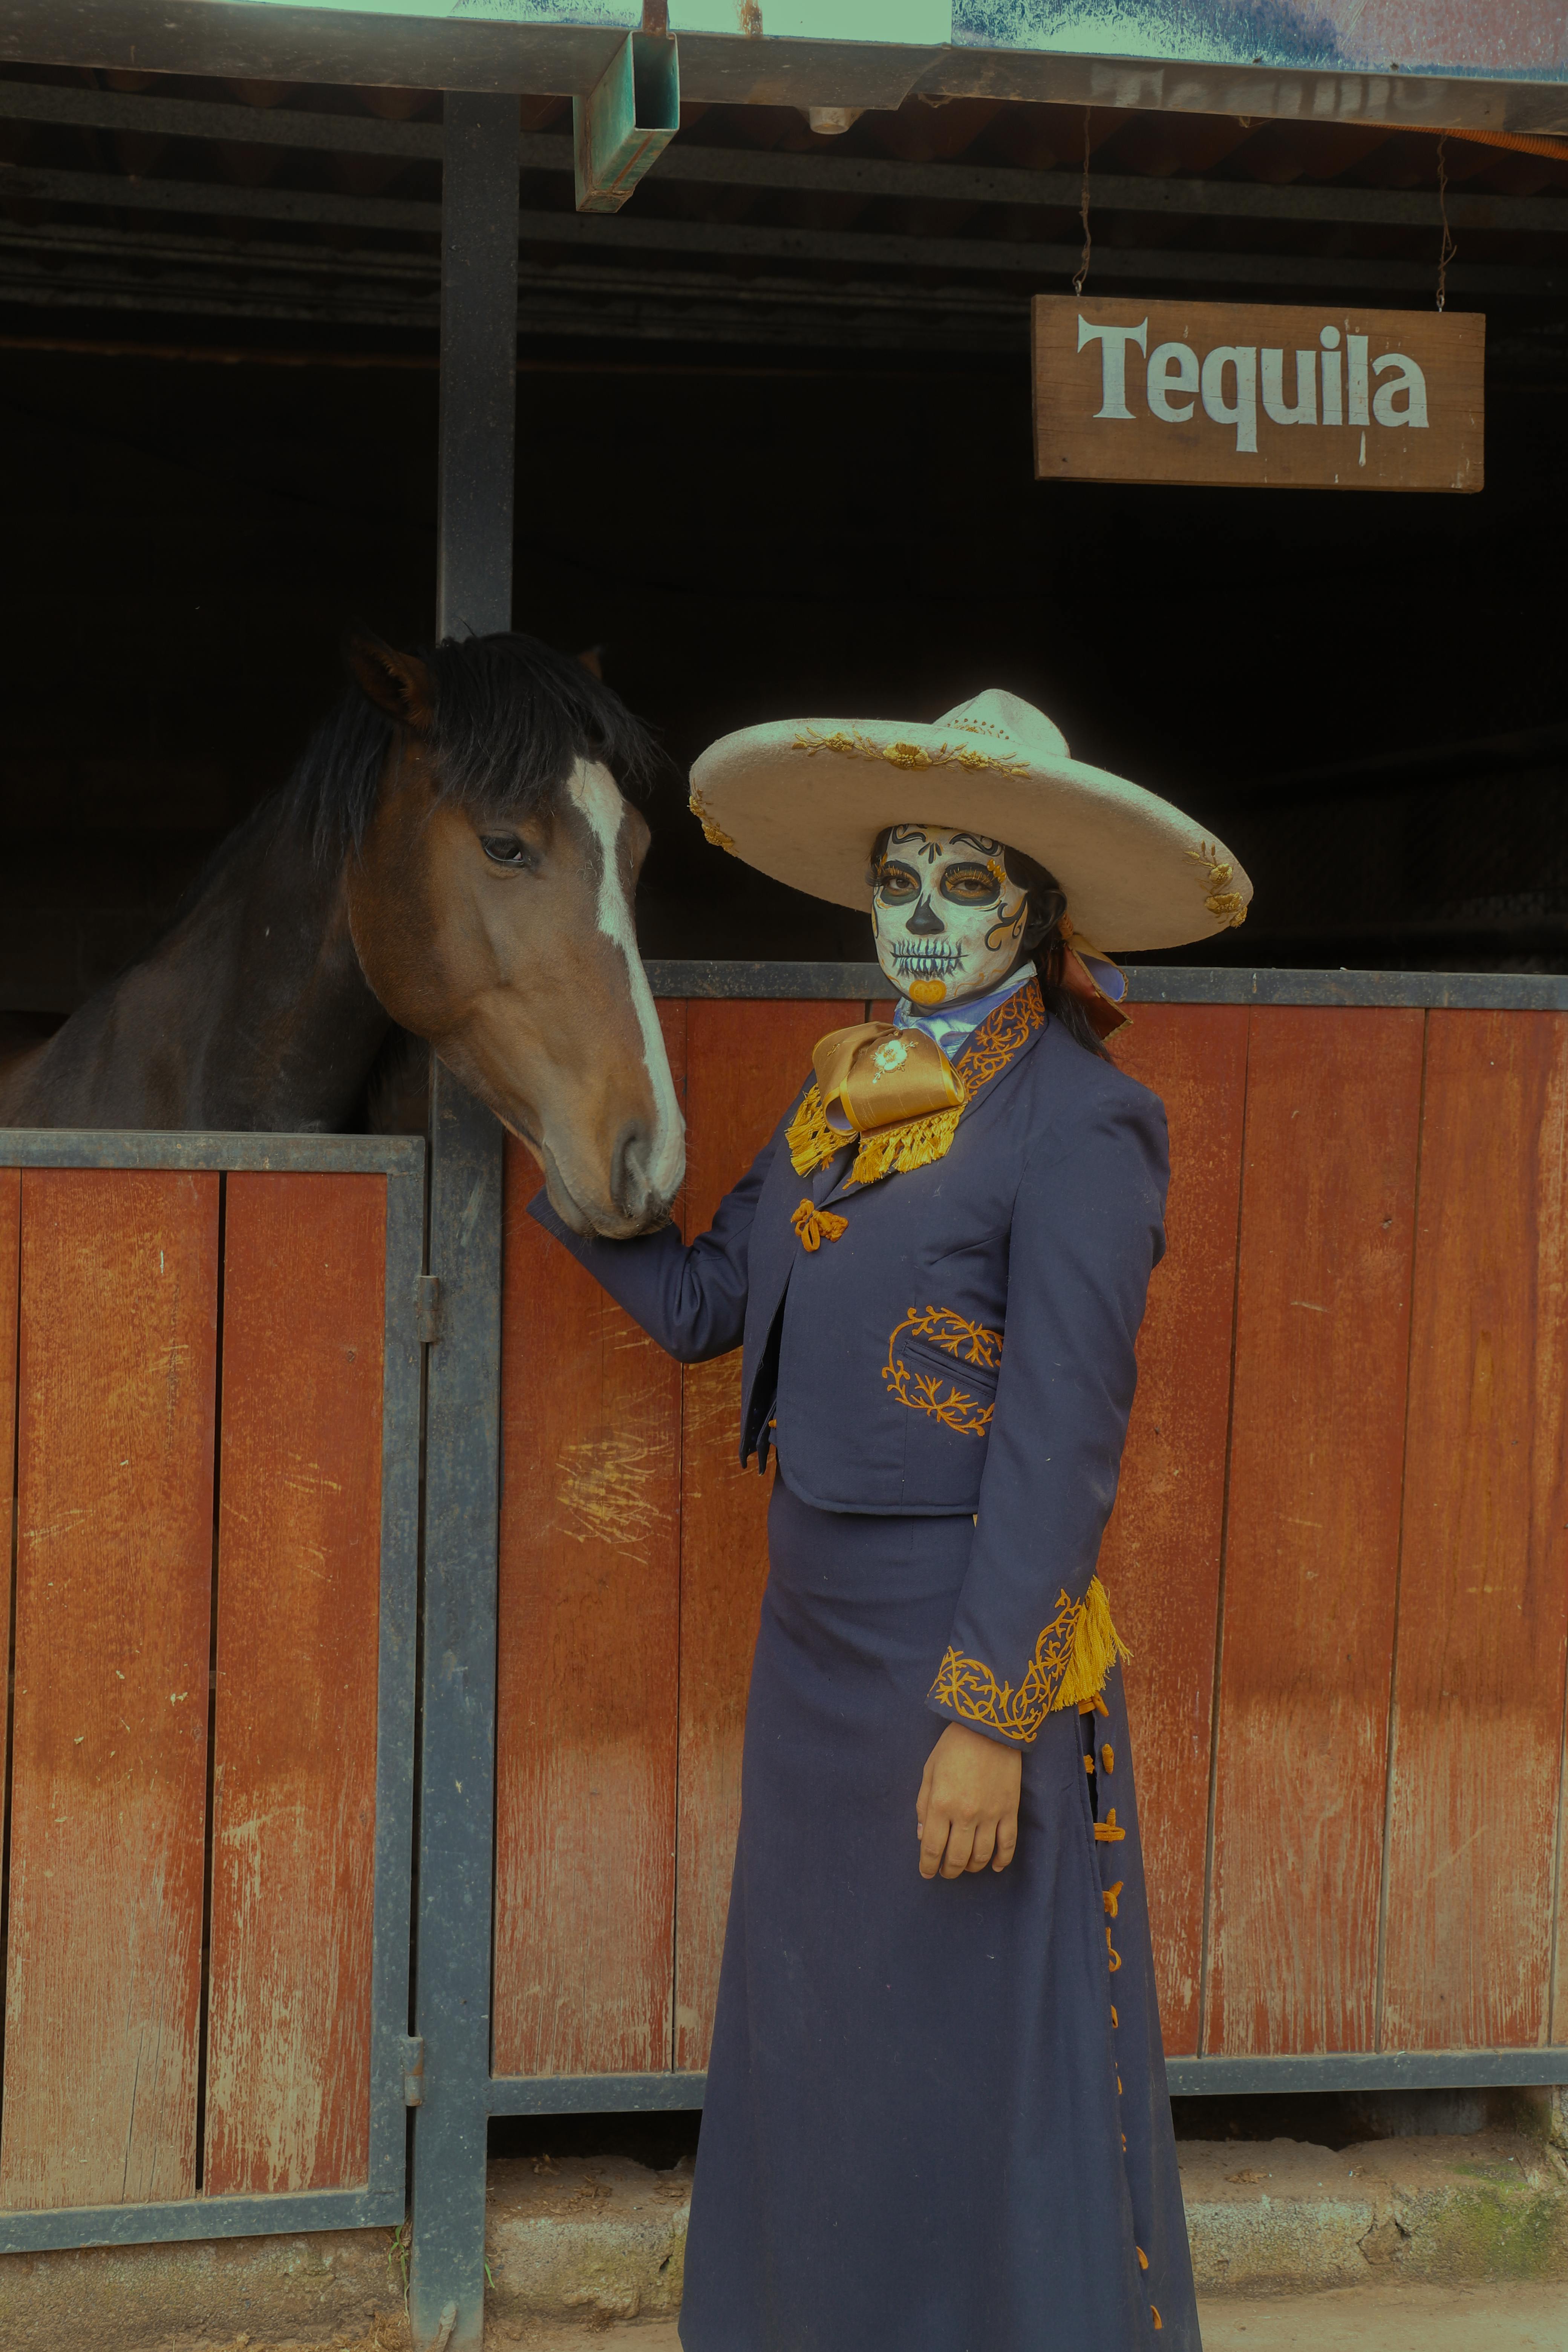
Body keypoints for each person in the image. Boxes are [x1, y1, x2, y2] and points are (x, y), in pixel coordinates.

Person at [528, 688, 1251, 2351]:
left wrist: (986, 1719)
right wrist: (560, 1157)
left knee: (965, 2050)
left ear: (1033, 908)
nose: (921, 914)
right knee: (825, 2033)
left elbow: (1060, 1445)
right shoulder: (846, 1085)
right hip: (812, 1648)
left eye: (964, 879)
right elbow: (713, 1303)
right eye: (898, 878)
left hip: (959, 1647)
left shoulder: (1081, 1121)